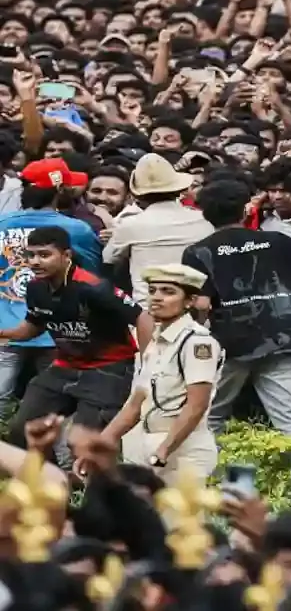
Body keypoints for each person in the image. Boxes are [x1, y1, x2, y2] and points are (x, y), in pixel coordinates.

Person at [182, 178, 291, 496]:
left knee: (212, 416)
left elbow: (202, 304)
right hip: (284, 336)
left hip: (229, 344)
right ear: (245, 208)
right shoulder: (277, 241)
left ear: (204, 213)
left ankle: (217, 487)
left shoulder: (198, 252)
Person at [0, 226, 144, 445]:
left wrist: (151, 363)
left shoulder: (93, 287)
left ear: (66, 255)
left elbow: (142, 317)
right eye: (31, 255)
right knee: (25, 430)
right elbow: (32, 327)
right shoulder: (35, 288)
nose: (35, 261)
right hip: (65, 367)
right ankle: (51, 478)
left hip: (108, 369)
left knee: (82, 444)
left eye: (44, 255)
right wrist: (3, 333)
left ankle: (86, 477)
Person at [0, 159, 105, 411]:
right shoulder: (76, 229)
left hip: (5, 326)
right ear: (60, 190)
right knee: (54, 403)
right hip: (56, 328)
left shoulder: (2, 223)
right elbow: (92, 274)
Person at [100, 263, 221, 479]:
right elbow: (137, 402)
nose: (156, 297)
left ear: (189, 301)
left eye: (168, 292)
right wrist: (101, 443)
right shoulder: (157, 340)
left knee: (178, 513)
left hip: (182, 449)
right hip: (146, 441)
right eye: (152, 291)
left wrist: (164, 449)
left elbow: (197, 404)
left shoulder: (197, 342)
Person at [102, 152, 214, 304]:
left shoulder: (130, 224)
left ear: (137, 195)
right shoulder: (204, 219)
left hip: (149, 308)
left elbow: (108, 259)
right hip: (195, 305)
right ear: (178, 189)